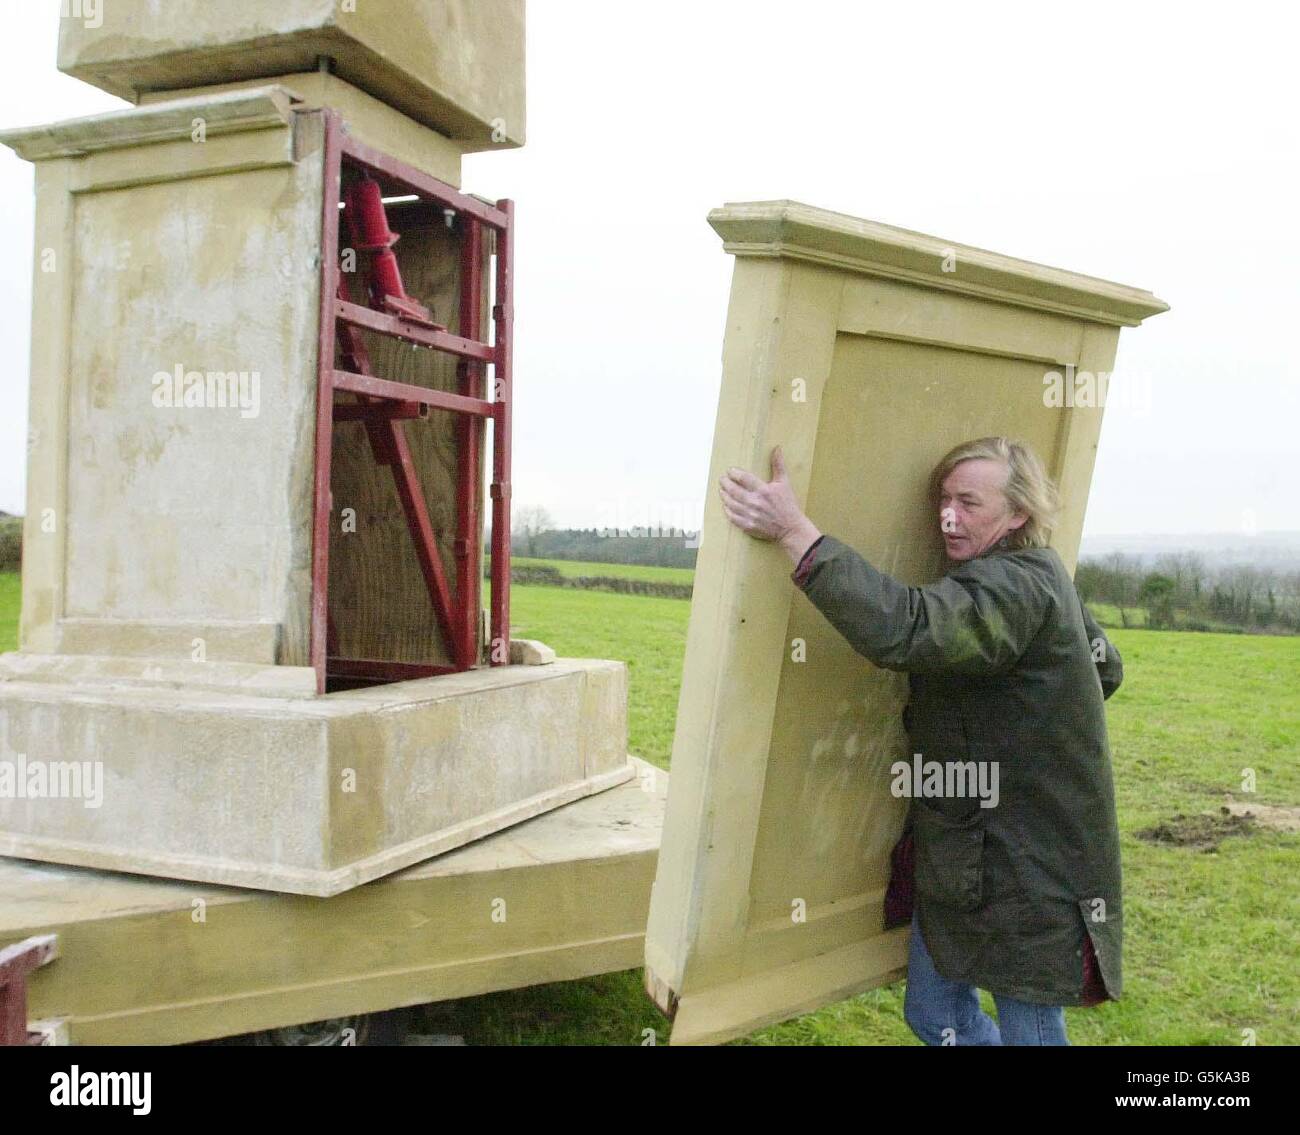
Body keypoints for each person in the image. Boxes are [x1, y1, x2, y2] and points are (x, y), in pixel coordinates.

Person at [717, 435, 1124, 1046]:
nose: (949, 516)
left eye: (969, 502)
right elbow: (1106, 669)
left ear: (1018, 513)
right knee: (936, 1016)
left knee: (1031, 1028)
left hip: (1030, 860)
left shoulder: (1016, 585)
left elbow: (907, 629)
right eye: (943, 499)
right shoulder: (1028, 574)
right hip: (968, 847)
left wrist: (795, 532)